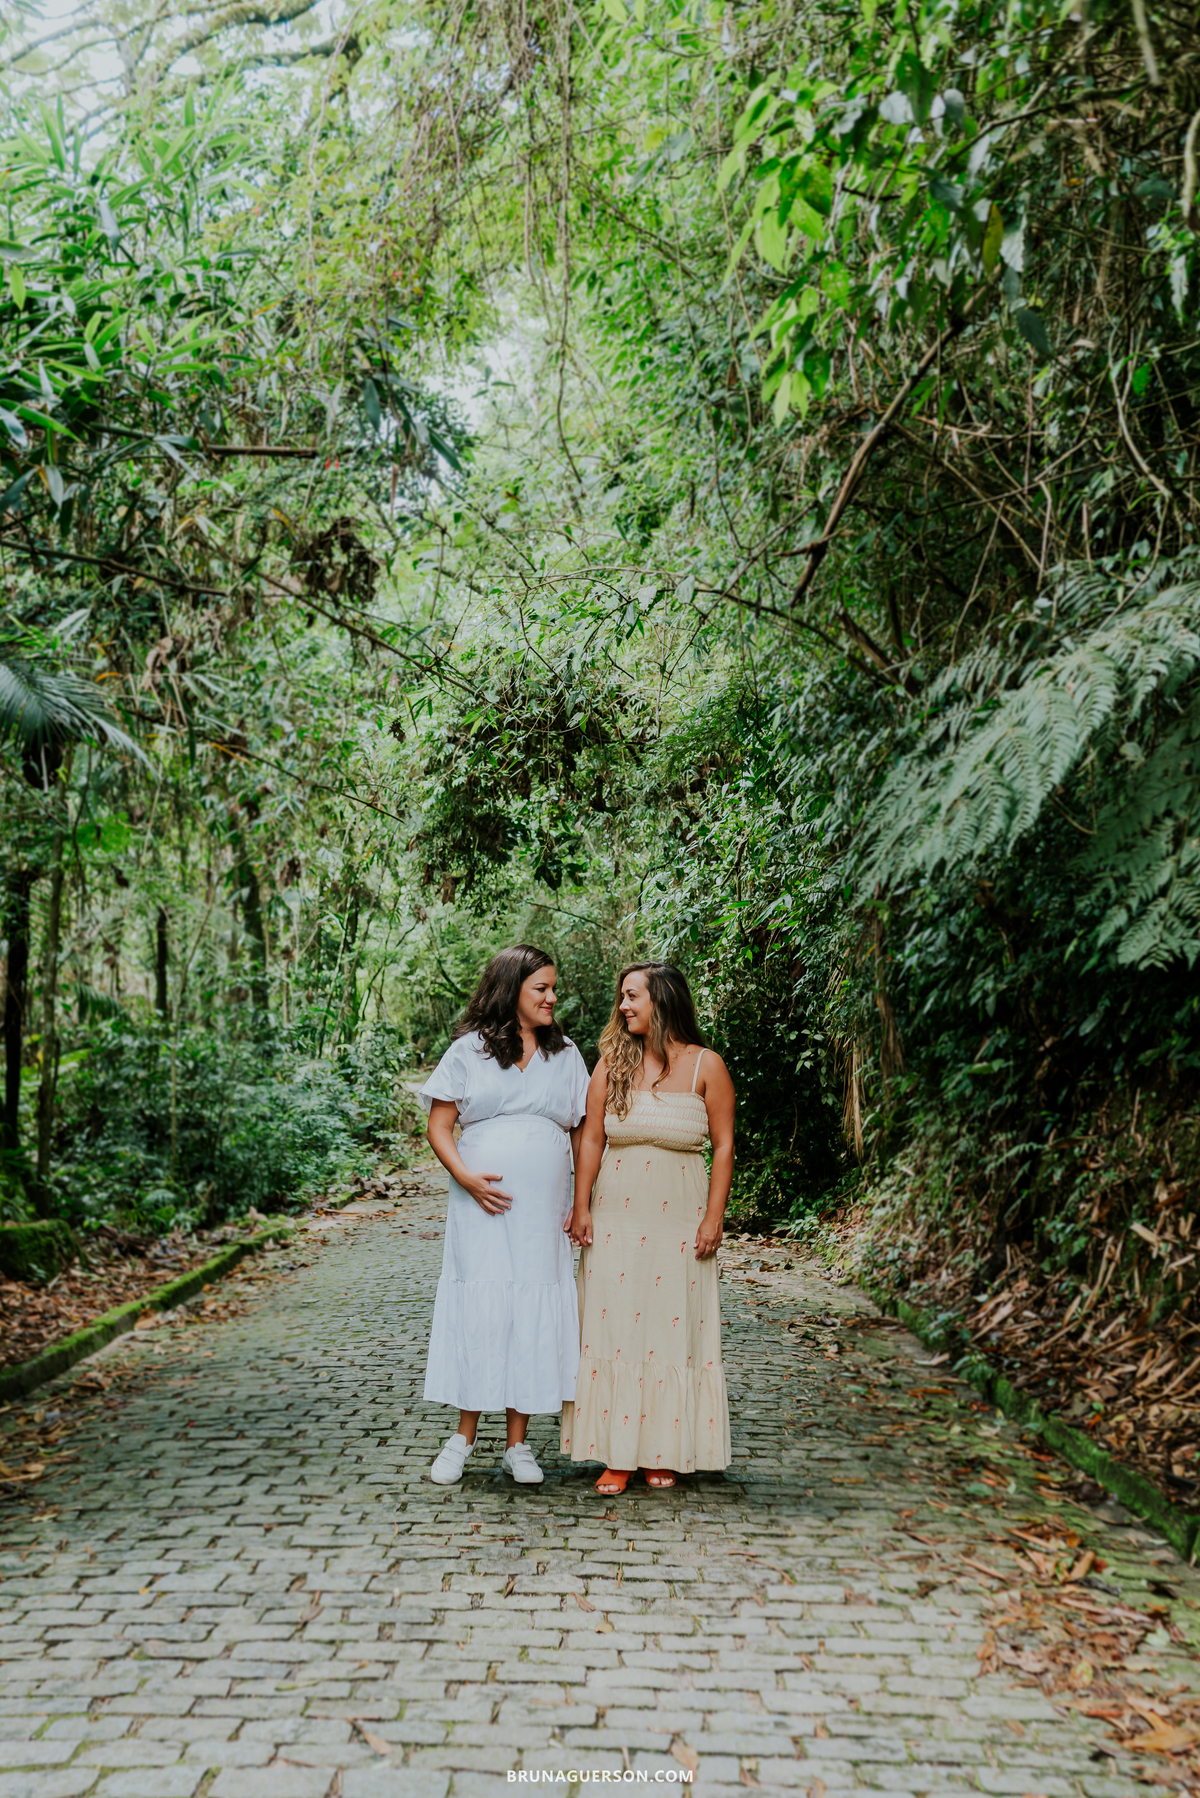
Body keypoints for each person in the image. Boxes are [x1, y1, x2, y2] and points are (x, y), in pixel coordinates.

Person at [419, 944, 590, 1486]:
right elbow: (440, 1127)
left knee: (532, 1304)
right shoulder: (468, 1051)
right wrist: (466, 1178)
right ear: (510, 987)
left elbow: (585, 1130)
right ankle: (463, 1436)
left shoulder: (566, 1054)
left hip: (543, 1210)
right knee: (484, 1303)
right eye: (541, 988)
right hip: (481, 1207)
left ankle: (519, 1444)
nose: (552, 997)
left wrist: (580, 1200)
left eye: (553, 988)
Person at [563, 961, 734, 1494]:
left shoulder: (708, 1065)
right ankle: (616, 1454)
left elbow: (724, 1145)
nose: (623, 1006)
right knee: (613, 1329)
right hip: (615, 1214)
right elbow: (591, 1138)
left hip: (678, 1221)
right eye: (622, 996)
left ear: (661, 998)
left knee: (670, 1328)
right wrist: (582, 1205)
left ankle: (665, 1449)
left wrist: (714, 1216)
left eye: (632, 995)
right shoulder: (611, 1063)